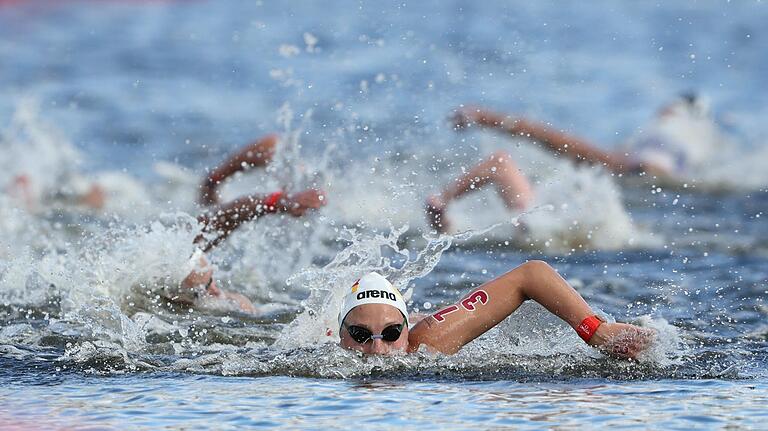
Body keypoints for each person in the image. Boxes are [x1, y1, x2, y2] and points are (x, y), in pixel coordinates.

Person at [338, 265, 655, 360]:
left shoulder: (426, 341)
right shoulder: (320, 354)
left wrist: (594, 330)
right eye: (362, 336)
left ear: (406, 331)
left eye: (392, 334)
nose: (377, 350)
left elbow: (531, 275)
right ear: (340, 337)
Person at [172, 134, 326, 313]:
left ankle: (212, 183)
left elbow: (224, 217)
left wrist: (277, 202)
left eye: (209, 286)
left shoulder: (172, 256)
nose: (214, 290)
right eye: (206, 290)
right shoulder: (222, 304)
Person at [450, 93, 725, 180]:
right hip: (649, 167)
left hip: (642, 167)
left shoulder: (666, 137)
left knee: (574, 150)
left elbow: (553, 139)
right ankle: (489, 118)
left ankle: (489, 118)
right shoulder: (698, 141)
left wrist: (488, 119)